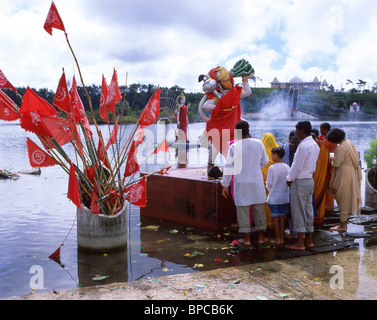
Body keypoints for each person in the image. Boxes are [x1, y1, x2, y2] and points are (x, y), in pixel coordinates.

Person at [221, 120, 269, 245]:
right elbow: (265, 161)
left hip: (241, 183)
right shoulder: (258, 143)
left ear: (237, 132)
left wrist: (225, 185)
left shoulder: (234, 147)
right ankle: (261, 237)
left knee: (243, 210)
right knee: (259, 209)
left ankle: (247, 239)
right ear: (248, 130)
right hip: (256, 181)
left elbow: (228, 167)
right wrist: (254, 165)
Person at [198, 65, 253, 170]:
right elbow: (205, 106)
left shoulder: (235, 92)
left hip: (234, 123)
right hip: (220, 125)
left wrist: (245, 80)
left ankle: (245, 162)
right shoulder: (216, 95)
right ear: (218, 83)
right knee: (216, 144)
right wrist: (222, 106)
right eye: (224, 81)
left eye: (228, 80)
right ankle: (210, 165)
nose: (227, 83)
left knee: (244, 137)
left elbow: (248, 92)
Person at [286, 121, 320, 250]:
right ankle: (309, 240)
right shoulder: (314, 144)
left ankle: (300, 243)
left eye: (297, 130)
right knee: (308, 209)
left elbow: (296, 166)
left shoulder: (303, 146)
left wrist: (289, 178)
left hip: (300, 181)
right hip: (309, 180)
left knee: (298, 211)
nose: (296, 133)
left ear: (301, 130)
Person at [328, 128, 362, 232]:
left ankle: (343, 226)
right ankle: (342, 222)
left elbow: (337, 164)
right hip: (351, 173)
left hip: (344, 175)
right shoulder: (348, 143)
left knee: (342, 198)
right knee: (345, 197)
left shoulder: (341, 148)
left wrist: (331, 160)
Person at [266, 147, 290, 245]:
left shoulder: (272, 168)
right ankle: (282, 238)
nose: (271, 156)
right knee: (282, 217)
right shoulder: (287, 167)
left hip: (274, 197)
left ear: (276, 155)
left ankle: (278, 238)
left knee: (275, 218)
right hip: (284, 197)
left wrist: (268, 187)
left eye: (272, 154)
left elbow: (269, 183)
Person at [261, 133, 279, 229]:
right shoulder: (277, 150)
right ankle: (274, 223)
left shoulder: (261, 150)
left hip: (263, 180)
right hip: (275, 181)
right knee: (274, 200)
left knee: (264, 201)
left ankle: (265, 223)